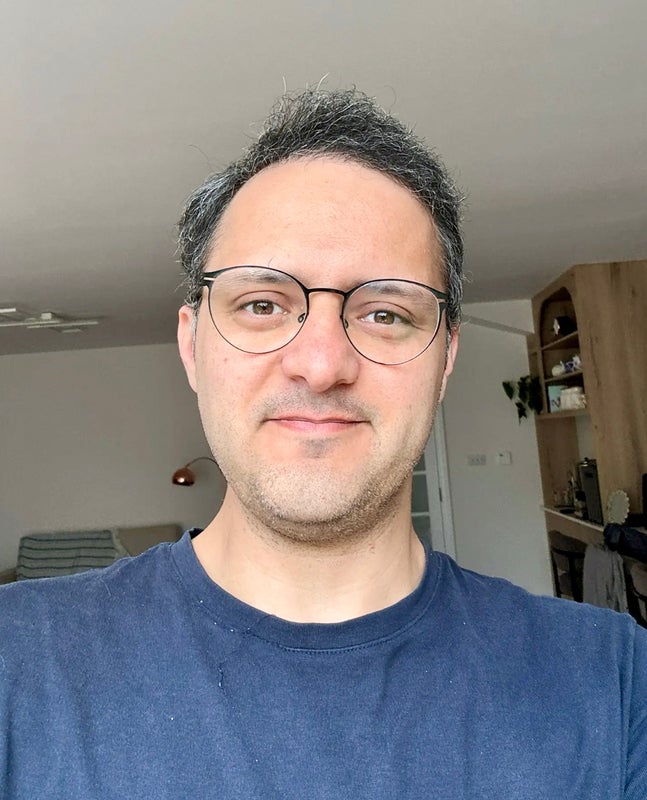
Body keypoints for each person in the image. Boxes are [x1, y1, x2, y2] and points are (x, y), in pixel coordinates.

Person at [0, 88, 645, 799]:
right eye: (261, 304)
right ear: (192, 346)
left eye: (384, 313)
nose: (320, 364)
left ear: (444, 360)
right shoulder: (16, 661)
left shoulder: (614, 684)